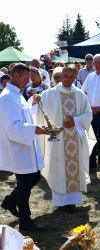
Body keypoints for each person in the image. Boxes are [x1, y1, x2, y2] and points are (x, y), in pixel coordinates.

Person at [33, 64, 95, 212]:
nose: (67, 79)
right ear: (61, 76)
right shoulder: (51, 93)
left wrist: (75, 120)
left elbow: (88, 114)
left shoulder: (80, 94)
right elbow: (39, 106)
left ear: (75, 77)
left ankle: (72, 201)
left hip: (75, 137)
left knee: (75, 167)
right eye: (65, 76)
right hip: (57, 137)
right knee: (57, 166)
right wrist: (36, 99)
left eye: (71, 76)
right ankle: (61, 202)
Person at [0, 63, 48, 231]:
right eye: (26, 78)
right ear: (15, 76)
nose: (28, 81)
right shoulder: (6, 97)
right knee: (25, 180)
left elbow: (23, 113)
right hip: (17, 146)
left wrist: (32, 103)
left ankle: (10, 201)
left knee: (33, 177)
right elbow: (12, 126)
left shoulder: (17, 94)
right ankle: (25, 220)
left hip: (24, 144)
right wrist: (34, 129)